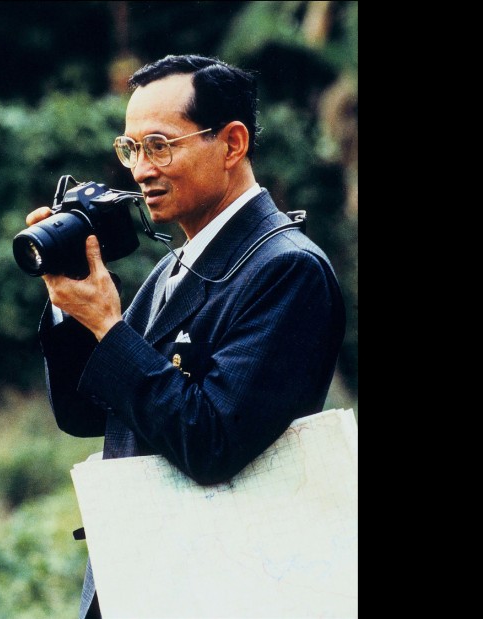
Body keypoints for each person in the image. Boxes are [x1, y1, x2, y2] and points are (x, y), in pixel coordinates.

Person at [24, 54, 345, 619]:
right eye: (130, 150)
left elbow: (213, 440)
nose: (140, 169)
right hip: (143, 582)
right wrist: (70, 304)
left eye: (159, 145)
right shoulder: (177, 264)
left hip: (219, 588)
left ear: (232, 144)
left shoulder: (287, 267)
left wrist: (108, 325)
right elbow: (86, 413)